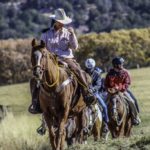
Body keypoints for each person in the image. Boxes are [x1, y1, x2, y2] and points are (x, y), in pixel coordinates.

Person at [29, 8, 95, 114]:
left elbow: (75, 47)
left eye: (63, 22)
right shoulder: (46, 34)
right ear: (55, 21)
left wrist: (73, 35)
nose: (62, 24)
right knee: (35, 79)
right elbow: (42, 49)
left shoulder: (68, 33)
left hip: (66, 59)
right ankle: (35, 102)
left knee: (78, 71)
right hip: (50, 60)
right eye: (60, 22)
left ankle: (87, 93)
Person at [105, 57, 141, 125]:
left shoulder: (125, 72)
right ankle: (104, 121)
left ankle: (135, 118)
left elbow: (127, 83)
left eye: (122, 64)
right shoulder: (109, 74)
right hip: (111, 93)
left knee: (132, 101)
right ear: (116, 65)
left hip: (123, 91)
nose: (122, 65)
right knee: (103, 103)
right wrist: (109, 89)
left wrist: (119, 88)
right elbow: (106, 84)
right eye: (121, 64)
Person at [85, 58, 109, 132]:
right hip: (84, 93)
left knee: (104, 106)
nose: (89, 70)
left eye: (91, 68)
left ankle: (106, 123)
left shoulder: (97, 74)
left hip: (95, 93)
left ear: (93, 66)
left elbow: (98, 85)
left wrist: (92, 89)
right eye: (88, 68)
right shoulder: (82, 73)